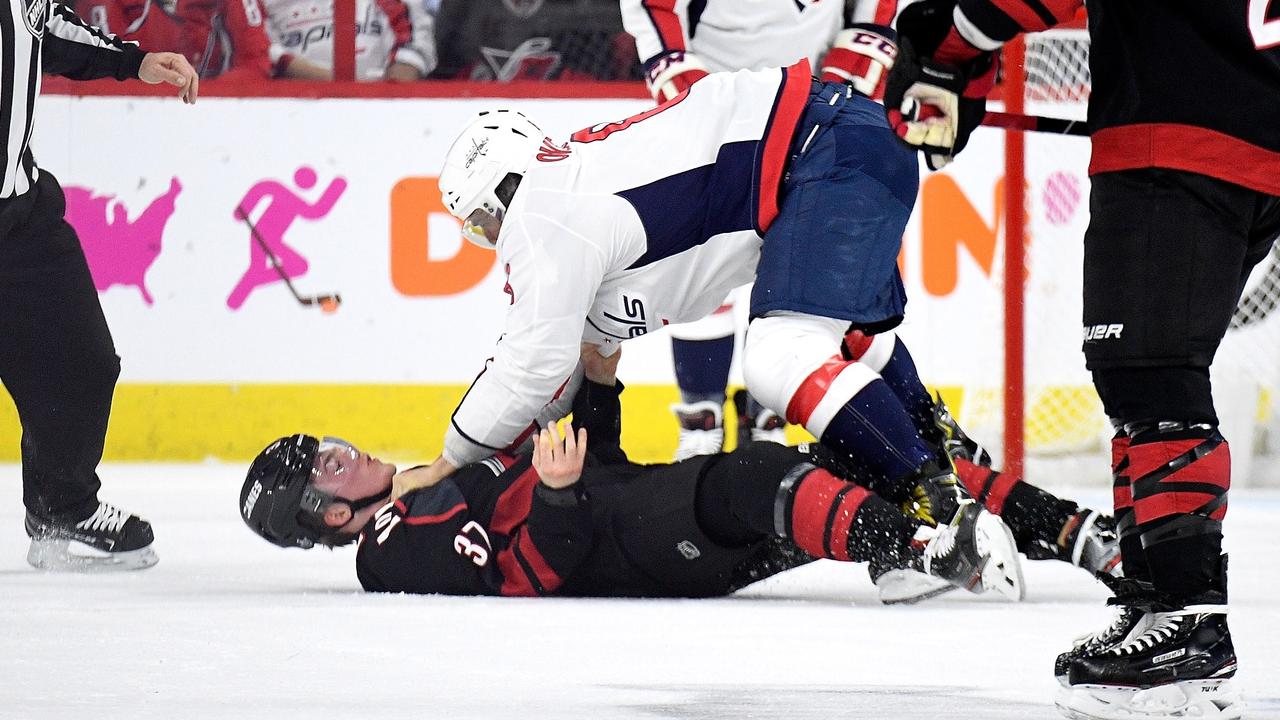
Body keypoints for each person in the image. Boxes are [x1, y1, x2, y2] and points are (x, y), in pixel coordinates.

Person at [882, 0, 1280, 717]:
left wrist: (942, 42)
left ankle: (1190, 618)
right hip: (1252, 132)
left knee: (1151, 372)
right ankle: (1157, 602)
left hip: (1176, 131)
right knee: (1141, 377)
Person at [240, 344, 1009, 600]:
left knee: (834, 462)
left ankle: (913, 549)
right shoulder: (389, 550)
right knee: (755, 479)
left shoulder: (430, 479)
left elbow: (592, 458)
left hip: (631, 510)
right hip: (623, 546)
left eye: (327, 445)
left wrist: (598, 383)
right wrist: (557, 491)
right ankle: (926, 549)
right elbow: (535, 573)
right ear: (329, 518)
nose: (342, 455)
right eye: (326, 470)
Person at [621, 0, 901, 458]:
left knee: (799, 277)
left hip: (816, 116)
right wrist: (712, 121)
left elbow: (875, 15)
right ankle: (701, 419)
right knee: (700, 270)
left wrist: (828, 107)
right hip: (714, 125)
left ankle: (769, 413)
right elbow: (657, 19)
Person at [3, 3, 199, 570]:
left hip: (20, 215)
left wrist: (134, 62)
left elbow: (44, 26)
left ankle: (62, 509)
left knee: (79, 361)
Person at [78, 0, 274, 80]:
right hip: (134, 123)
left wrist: (202, 97)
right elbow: (103, 76)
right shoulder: (108, 4)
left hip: (222, 122)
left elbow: (256, 64)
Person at [261, 0, 436, 81]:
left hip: (380, 116)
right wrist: (348, 89)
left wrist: (384, 96)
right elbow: (262, 53)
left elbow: (413, 47)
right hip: (288, 109)